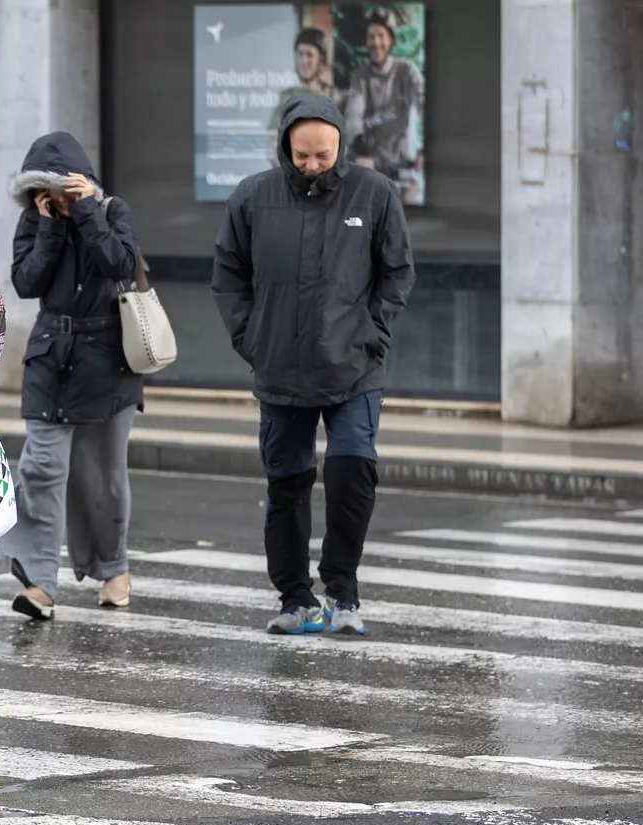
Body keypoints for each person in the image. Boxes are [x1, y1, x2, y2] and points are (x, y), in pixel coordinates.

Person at [211, 93, 414, 636]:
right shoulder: (253, 197)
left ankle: (343, 592)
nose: (312, 165)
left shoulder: (375, 194)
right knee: (288, 482)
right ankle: (294, 598)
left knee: (352, 472)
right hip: (280, 367)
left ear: (340, 145)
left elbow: (397, 273)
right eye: (302, 155)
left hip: (355, 369)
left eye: (323, 155)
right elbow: (228, 275)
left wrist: (373, 335)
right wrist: (252, 339)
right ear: (285, 146)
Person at [0, 131, 142, 621]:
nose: (55, 200)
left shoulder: (113, 211)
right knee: (40, 468)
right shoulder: (34, 221)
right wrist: (49, 228)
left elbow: (119, 264)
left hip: (107, 359)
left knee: (104, 476)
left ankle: (113, 566)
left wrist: (86, 213)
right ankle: (40, 581)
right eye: (46, 193)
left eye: (62, 190)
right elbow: (26, 282)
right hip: (50, 357)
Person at [342, 9, 425, 204]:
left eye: (381, 35)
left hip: (406, 165)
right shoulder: (360, 77)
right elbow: (353, 115)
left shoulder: (407, 71)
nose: (376, 42)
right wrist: (361, 148)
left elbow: (424, 102)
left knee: (414, 208)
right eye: (371, 36)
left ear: (390, 40)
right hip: (373, 165)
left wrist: (426, 149)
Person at [269, 28, 338, 134]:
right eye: (300, 54)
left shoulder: (335, 97)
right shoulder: (287, 97)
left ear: (321, 59)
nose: (303, 60)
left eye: (309, 55)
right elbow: (273, 139)